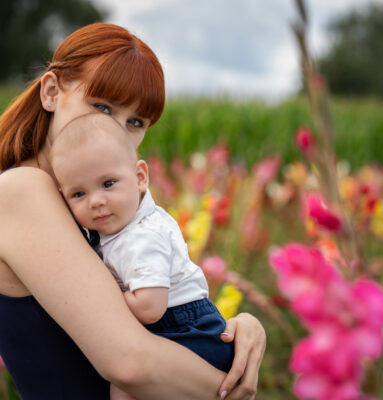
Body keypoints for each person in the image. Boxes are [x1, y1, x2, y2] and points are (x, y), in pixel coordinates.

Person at [0, 22, 266, 400]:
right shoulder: (21, 190)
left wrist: (235, 329)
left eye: (136, 122)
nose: (116, 133)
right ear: (51, 91)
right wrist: (231, 392)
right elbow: (129, 362)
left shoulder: (89, 207)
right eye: (102, 107)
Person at [51, 113, 235, 400]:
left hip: (188, 331)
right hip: (174, 325)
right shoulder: (114, 229)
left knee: (125, 386)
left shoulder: (142, 236)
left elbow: (150, 307)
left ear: (140, 177)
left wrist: (101, 294)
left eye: (108, 183)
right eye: (78, 194)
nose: (96, 200)